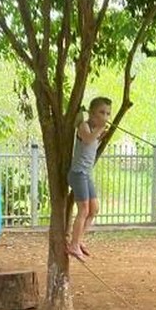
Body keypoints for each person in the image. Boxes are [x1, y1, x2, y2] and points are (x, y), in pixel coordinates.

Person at [67, 97, 110, 259]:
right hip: (78, 174)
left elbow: (93, 142)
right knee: (84, 209)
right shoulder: (84, 126)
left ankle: (78, 240)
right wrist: (100, 129)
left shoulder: (97, 131)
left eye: (108, 114)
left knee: (94, 209)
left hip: (86, 174)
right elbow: (87, 139)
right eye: (101, 112)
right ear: (91, 113)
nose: (105, 117)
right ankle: (73, 245)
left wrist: (101, 133)